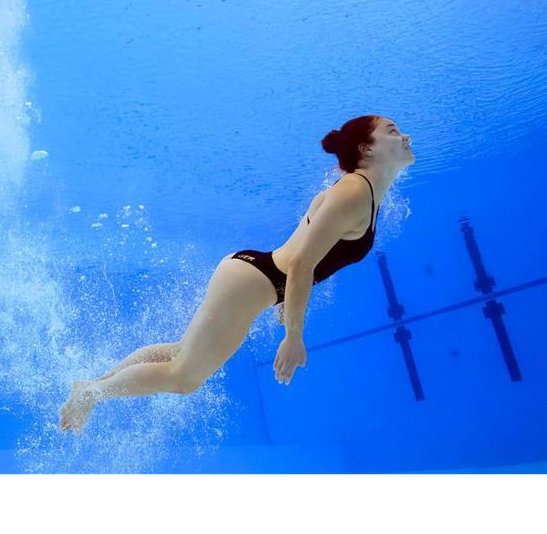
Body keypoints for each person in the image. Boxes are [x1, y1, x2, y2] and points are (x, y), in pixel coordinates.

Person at [59, 115, 415, 434]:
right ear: (366, 148)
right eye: (393, 131)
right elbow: (302, 264)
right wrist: (293, 336)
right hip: (253, 281)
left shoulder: (360, 192)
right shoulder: (355, 192)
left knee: (180, 353)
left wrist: (289, 301)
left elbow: (306, 247)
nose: (405, 137)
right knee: (183, 377)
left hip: (251, 274)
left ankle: (91, 386)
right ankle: (93, 394)